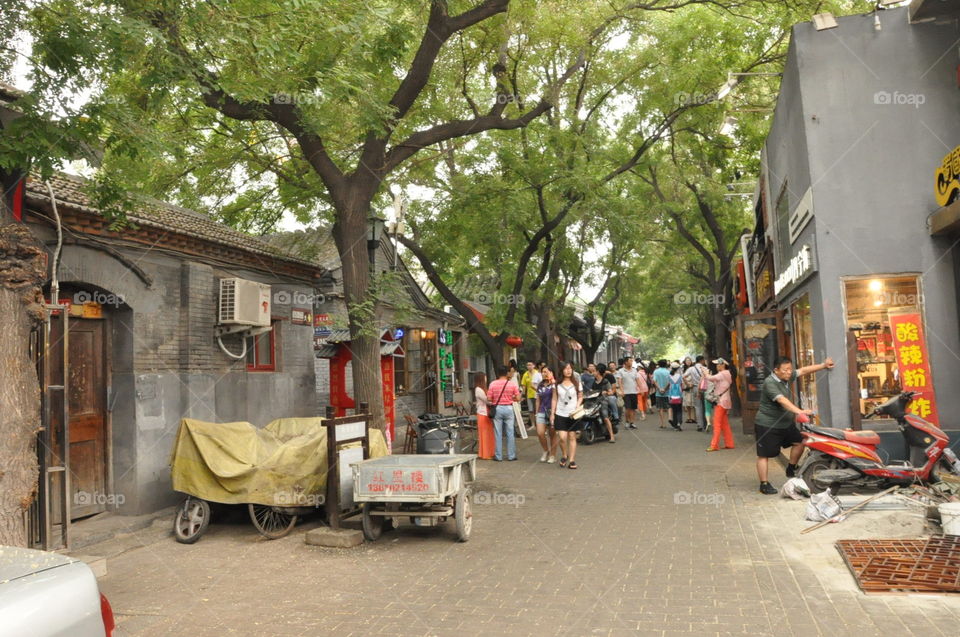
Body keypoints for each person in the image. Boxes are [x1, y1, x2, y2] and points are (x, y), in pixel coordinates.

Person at [755, 355, 834, 494]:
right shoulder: (770, 383)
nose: (788, 372)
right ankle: (764, 484)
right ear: (776, 370)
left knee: (800, 442)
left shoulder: (787, 376)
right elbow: (782, 400)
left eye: (790, 369)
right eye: (785, 370)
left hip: (785, 423)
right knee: (764, 455)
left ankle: (791, 468)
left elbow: (803, 371)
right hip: (767, 424)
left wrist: (823, 365)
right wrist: (800, 411)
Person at [551, 361, 583, 470]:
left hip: (572, 414)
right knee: (562, 438)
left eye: (570, 368)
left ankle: (572, 460)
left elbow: (580, 396)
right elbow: (554, 398)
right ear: (562, 370)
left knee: (572, 436)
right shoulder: (556, 384)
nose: (568, 371)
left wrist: (577, 406)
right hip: (560, 413)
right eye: (566, 368)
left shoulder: (577, 383)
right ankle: (565, 455)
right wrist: (552, 413)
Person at [487, 365, 522, 461]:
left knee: (498, 433)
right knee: (510, 432)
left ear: (498, 373)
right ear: (507, 373)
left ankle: (498, 456)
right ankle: (511, 455)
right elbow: (518, 398)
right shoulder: (512, 384)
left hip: (497, 409)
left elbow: (489, 398)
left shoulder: (493, 384)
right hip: (509, 408)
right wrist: (511, 398)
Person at [704, 358, 734, 452]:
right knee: (725, 424)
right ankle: (729, 443)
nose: (716, 366)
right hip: (725, 400)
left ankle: (714, 445)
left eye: (718, 364)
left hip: (721, 401)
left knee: (716, 424)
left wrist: (705, 372)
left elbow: (710, 378)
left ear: (722, 365)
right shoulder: (727, 373)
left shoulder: (722, 374)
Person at [534, 368, 559, 463]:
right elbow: (538, 400)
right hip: (541, 410)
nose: (544, 374)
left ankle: (553, 455)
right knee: (540, 433)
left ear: (551, 372)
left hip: (552, 411)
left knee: (552, 434)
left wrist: (553, 383)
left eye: (546, 372)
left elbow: (555, 397)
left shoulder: (554, 384)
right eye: (543, 372)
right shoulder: (540, 385)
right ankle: (545, 450)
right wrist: (536, 412)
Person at [474, 373, 496, 460]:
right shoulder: (479, 389)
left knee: (488, 433)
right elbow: (487, 401)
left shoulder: (481, 389)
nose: (486, 379)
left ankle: (489, 452)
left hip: (485, 412)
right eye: (485, 377)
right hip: (482, 413)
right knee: (485, 434)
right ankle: (485, 454)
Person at [615, 357, 641, 429]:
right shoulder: (621, 371)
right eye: (630, 361)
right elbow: (619, 381)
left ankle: (632, 422)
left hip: (634, 392)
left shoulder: (634, 370)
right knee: (627, 408)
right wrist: (622, 390)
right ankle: (627, 421)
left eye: (632, 361)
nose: (631, 362)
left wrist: (641, 388)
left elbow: (637, 380)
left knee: (633, 408)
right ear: (626, 362)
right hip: (626, 392)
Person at [592, 365, 616, 443]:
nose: (593, 373)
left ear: (598, 372)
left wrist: (606, 392)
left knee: (605, 417)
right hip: (594, 402)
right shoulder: (594, 381)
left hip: (603, 401)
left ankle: (612, 436)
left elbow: (611, 392)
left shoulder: (605, 381)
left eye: (594, 371)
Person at [520, 361, 541, 430]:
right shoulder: (525, 374)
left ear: (534, 365)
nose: (529, 366)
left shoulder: (537, 373)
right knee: (531, 410)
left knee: (538, 410)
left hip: (537, 394)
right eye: (527, 365)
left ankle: (539, 425)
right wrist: (523, 395)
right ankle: (533, 425)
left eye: (530, 365)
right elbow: (524, 386)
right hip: (529, 395)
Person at [690, 356, 708, 431]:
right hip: (705, 388)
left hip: (695, 387)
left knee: (697, 407)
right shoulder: (705, 369)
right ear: (701, 360)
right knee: (706, 406)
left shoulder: (691, 368)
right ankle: (706, 423)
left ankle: (699, 425)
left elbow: (684, 376)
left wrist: (688, 385)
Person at [652, 359, 672, 429]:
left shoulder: (656, 371)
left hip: (658, 393)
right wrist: (665, 388)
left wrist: (660, 388)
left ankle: (662, 423)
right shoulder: (668, 371)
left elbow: (654, 381)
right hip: (668, 392)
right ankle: (669, 417)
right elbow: (670, 382)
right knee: (669, 406)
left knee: (660, 408)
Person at [667, 362, 684, 431]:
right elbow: (682, 385)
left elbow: (669, 384)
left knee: (674, 410)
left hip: (671, 395)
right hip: (679, 394)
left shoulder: (669, 376)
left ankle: (675, 424)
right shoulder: (680, 376)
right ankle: (679, 423)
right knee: (679, 410)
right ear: (678, 368)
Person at [681, 358, 697, 424]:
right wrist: (686, 384)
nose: (688, 362)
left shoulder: (693, 368)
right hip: (686, 388)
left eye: (689, 360)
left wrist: (691, 384)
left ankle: (694, 418)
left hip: (692, 387)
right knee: (687, 403)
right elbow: (682, 378)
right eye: (687, 361)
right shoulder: (682, 369)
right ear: (685, 362)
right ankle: (689, 417)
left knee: (693, 404)